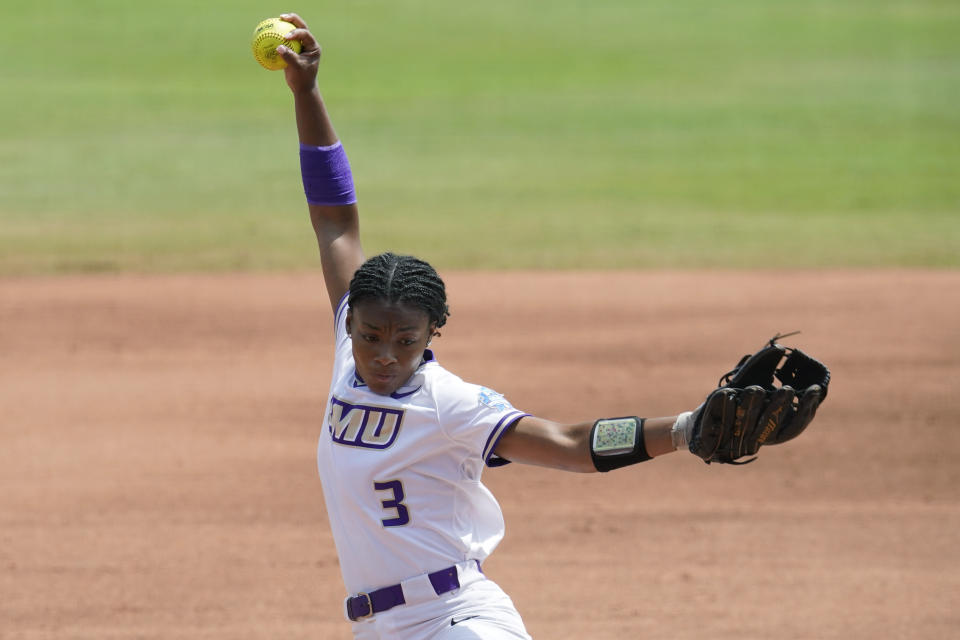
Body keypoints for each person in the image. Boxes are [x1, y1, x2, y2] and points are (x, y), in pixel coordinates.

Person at [275, 13, 703, 639]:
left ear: (430, 337)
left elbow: (567, 444)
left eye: (405, 341)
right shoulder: (349, 350)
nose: (384, 354)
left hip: (457, 620)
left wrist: (687, 430)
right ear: (352, 326)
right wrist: (307, 94)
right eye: (370, 337)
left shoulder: (450, 405)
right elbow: (334, 221)